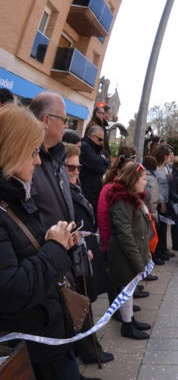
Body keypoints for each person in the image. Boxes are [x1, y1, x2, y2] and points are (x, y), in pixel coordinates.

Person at [0, 104, 87, 379]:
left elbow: (29, 250)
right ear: (13, 151)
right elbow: (12, 289)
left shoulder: (19, 194)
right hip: (30, 349)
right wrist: (54, 247)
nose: (38, 161)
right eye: (33, 152)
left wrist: (61, 243)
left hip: (47, 334)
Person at [62, 143, 114, 365]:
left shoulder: (74, 188)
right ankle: (89, 350)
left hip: (86, 249)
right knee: (80, 304)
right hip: (73, 255)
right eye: (70, 168)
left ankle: (89, 348)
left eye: (78, 168)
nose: (75, 172)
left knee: (87, 301)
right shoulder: (62, 192)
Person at [106, 162, 153, 340]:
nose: (145, 183)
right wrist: (138, 262)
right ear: (133, 180)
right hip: (123, 256)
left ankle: (130, 320)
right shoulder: (122, 202)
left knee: (129, 290)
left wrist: (145, 252)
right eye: (142, 179)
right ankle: (127, 325)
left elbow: (139, 231)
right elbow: (125, 236)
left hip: (132, 253)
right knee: (126, 289)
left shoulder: (133, 198)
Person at [29, 92, 74, 233]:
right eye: (64, 119)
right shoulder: (25, 162)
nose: (66, 125)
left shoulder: (58, 158)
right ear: (46, 120)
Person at [79, 126, 110, 212]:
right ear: (92, 136)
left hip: (95, 191)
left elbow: (108, 161)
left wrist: (103, 160)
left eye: (103, 140)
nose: (102, 142)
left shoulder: (97, 149)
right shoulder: (85, 147)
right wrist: (103, 160)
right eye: (100, 139)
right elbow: (99, 167)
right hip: (88, 192)